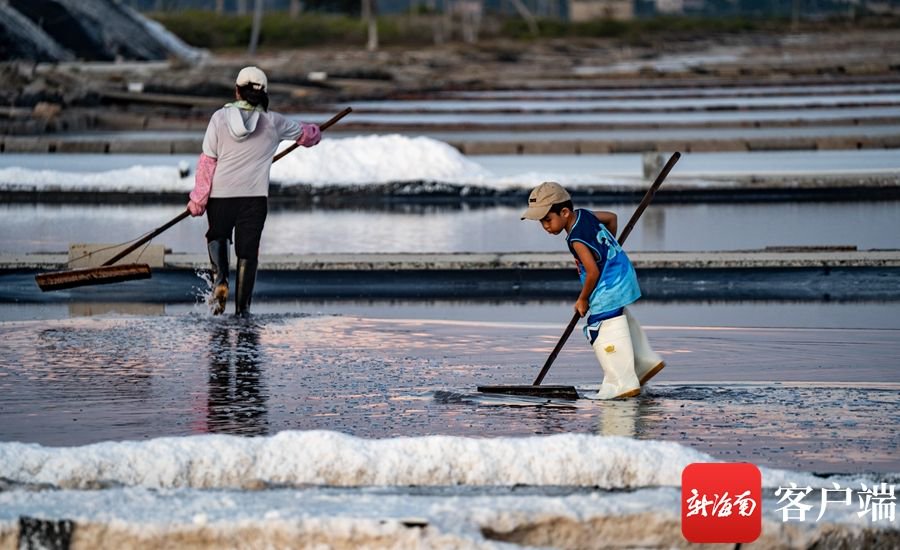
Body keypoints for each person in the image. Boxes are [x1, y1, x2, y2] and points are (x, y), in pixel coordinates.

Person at [186, 66, 321, 316]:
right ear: (264, 93)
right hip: (254, 198)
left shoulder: (218, 118)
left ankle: (221, 281)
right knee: (248, 252)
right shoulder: (275, 122)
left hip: (220, 197)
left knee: (218, 236)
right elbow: (307, 136)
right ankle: (243, 311)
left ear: (237, 91)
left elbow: (207, 162)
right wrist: (315, 132)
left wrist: (198, 200)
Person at [521, 181, 664, 399]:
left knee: (600, 324)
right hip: (622, 273)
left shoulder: (576, 239)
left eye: (548, 220)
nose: (546, 226)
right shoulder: (584, 215)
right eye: (542, 222)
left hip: (608, 285)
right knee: (615, 315)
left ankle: (621, 382)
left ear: (565, 212)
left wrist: (583, 299)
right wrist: (608, 248)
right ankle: (641, 363)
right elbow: (611, 218)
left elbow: (593, 273)